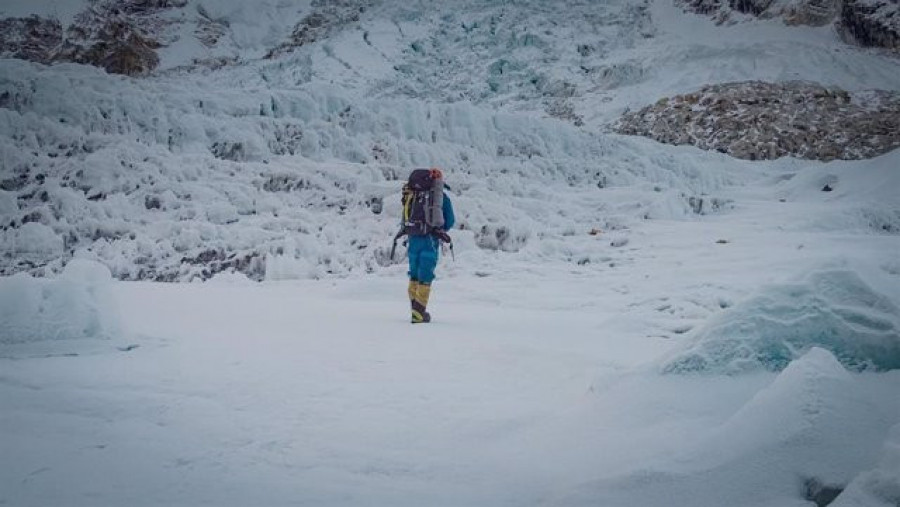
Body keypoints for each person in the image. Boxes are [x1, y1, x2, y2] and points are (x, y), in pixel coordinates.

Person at [402, 168, 455, 324]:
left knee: (414, 274)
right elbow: (450, 220)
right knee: (426, 275)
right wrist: (439, 229)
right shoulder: (439, 198)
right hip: (429, 240)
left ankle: (415, 308)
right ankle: (418, 313)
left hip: (413, 238)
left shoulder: (412, 195)